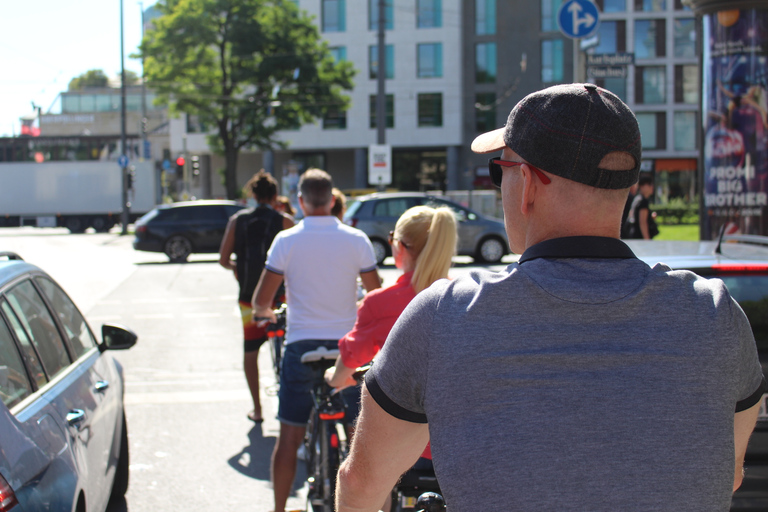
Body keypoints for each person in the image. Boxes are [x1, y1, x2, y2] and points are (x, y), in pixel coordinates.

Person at [336, 84, 766, 512]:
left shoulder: (445, 317)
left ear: (527, 184)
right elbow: (727, 474)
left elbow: (362, 483)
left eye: (497, 169)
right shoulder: (714, 313)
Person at [250, 168, 381, 512]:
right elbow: (375, 295)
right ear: (333, 199)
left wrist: (267, 311)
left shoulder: (287, 240)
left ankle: (279, 508)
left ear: (301, 201)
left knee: (289, 438)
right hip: (348, 351)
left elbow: (260, 300)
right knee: (358, 439)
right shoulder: (356, 240)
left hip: (302, 347)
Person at [218, 170, 294, 423]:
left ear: (252, 195)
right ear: (274, 196)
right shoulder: (284, 221)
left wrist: (237, 269)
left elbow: (223, 259)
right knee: (288, 348)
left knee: (250, 350)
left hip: (249, 296)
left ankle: (258, 409)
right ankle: (290, 406)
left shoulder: (237, 221)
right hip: (279, 297)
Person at [624, 173, 658, 239]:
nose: (652, 187)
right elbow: (643, 223)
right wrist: (647, 240)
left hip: (633, 235)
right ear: (642, 186)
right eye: (650, 184)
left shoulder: (637, 199)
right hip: (640, 237)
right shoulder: (643, 202)